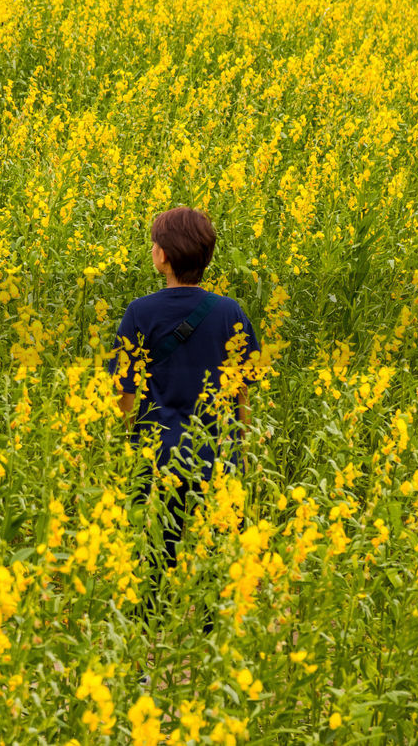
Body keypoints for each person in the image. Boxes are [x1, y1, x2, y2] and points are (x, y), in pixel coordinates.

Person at [106, 206, 261, 628]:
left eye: (155, 243)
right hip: (217, 456)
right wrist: (240, 449)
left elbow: (125, 394)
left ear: (162, 257)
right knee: (218, 561)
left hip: (157, 458)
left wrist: (130, 439)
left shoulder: (140, 313)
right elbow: (241, 391)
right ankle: (213, 643)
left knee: (153, 556)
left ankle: (143, 646)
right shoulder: (230, 312)